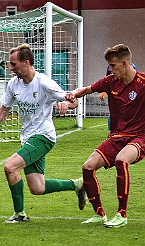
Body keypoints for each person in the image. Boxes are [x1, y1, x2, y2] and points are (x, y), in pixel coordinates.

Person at [0, 44, 87, 223]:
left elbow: (73, 102)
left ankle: (20, 214)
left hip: (43, 137)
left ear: (26, 63)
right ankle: (77, 184)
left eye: (13, 64)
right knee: (37, 188)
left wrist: (66, 104)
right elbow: (4, 110)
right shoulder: (13, 84)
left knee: (10, 167)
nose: (11, 68)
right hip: (28, 138)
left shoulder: (43, 83)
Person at [67, 44, 145, 228]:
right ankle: (99, 213)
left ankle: (121, 214)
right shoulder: (110, 82)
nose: (110, 69)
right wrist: (71, 95)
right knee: (88, 167)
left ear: (125, 63)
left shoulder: (142, 83)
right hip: (116, 138)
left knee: (121, 160)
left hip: (139, 137)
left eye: (113, 65)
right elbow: (86, 89)